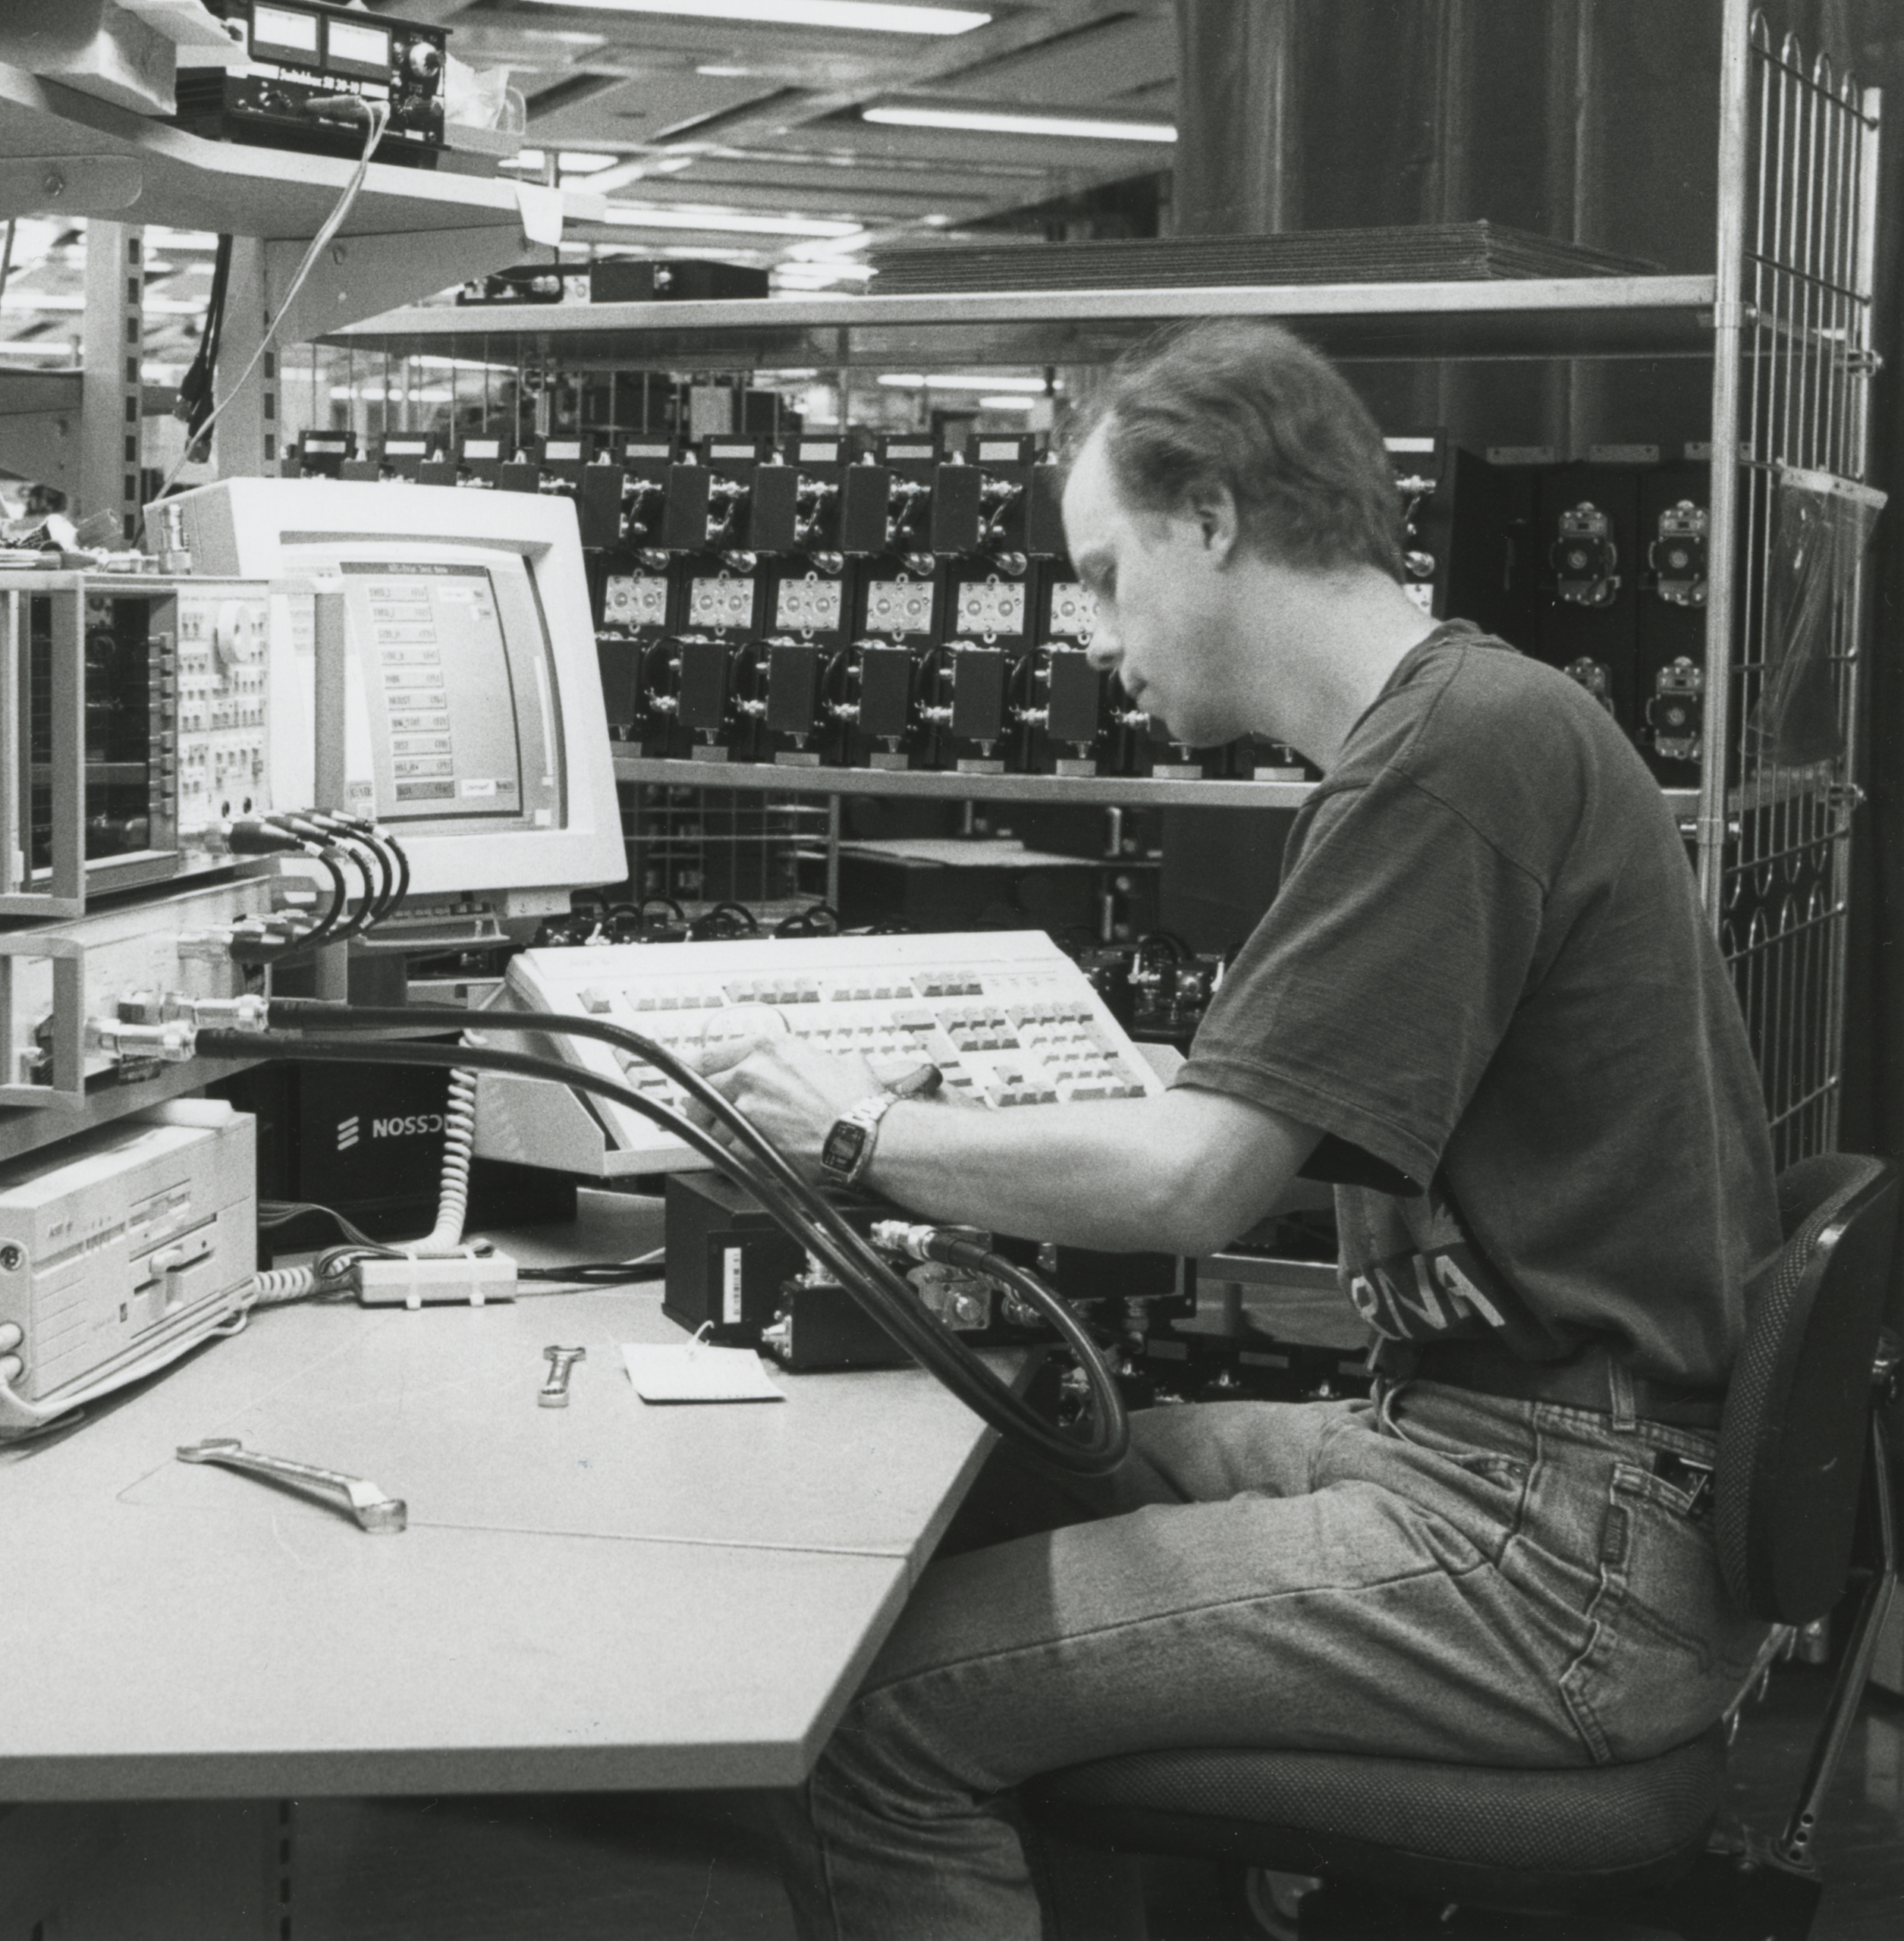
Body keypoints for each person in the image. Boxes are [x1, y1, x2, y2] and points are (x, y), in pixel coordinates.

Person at [705, 319, 1780, 1940]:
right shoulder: (1466, 723)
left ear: (1205, 515)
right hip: (1549, 1471)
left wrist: (848, 1128)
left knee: (873, 1714)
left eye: (1098, 572)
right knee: (1045, 1468)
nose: (1086, 633)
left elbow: (1201, 1177)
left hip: (1552, 1547)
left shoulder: (1445, 759)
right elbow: (1265, 1104)